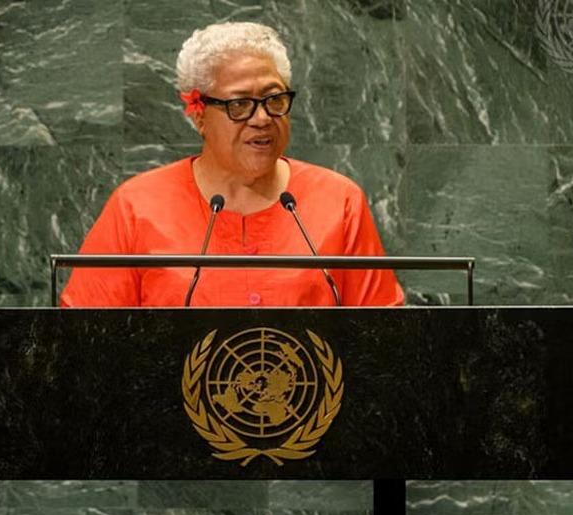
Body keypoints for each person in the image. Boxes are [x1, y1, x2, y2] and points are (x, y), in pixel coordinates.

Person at [60, 21, 403, 307]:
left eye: (274, 99)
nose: (262, 118)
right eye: (239, 104)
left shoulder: (339, 201)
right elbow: (86, 336)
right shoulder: (136, 206)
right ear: (199, 116)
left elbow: (383, 335)